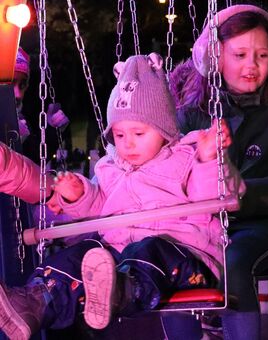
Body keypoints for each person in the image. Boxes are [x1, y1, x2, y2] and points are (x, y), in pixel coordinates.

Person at [0, 53, 244, 340]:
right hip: (118, 259)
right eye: (119, 135)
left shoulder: (186, 157)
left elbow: (215, 197)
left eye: (138, 133)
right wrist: (78, 194)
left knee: (151, 249)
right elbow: (99, 206)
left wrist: (209, 159)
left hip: (185, 258)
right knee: (84, 250)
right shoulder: (110, 168)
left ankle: (119, 288)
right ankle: (35, 301)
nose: (128, 143)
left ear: (164, 130)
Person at [166, 5, 268, 340]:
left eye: (262, 55)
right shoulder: (193, 109)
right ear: (216, 57)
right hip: (200, 225)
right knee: (173, 259)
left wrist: (242, 195)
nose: (251, 65)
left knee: (231, 262)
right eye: (240, 54)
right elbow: (170, 173)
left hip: (265, 225)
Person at [13, 47, 71, 166]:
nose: (18, 94)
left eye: (22, 85)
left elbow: (35, 162)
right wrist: (11, 143)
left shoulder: (20, 120)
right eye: (10, 83)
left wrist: (52, 131)